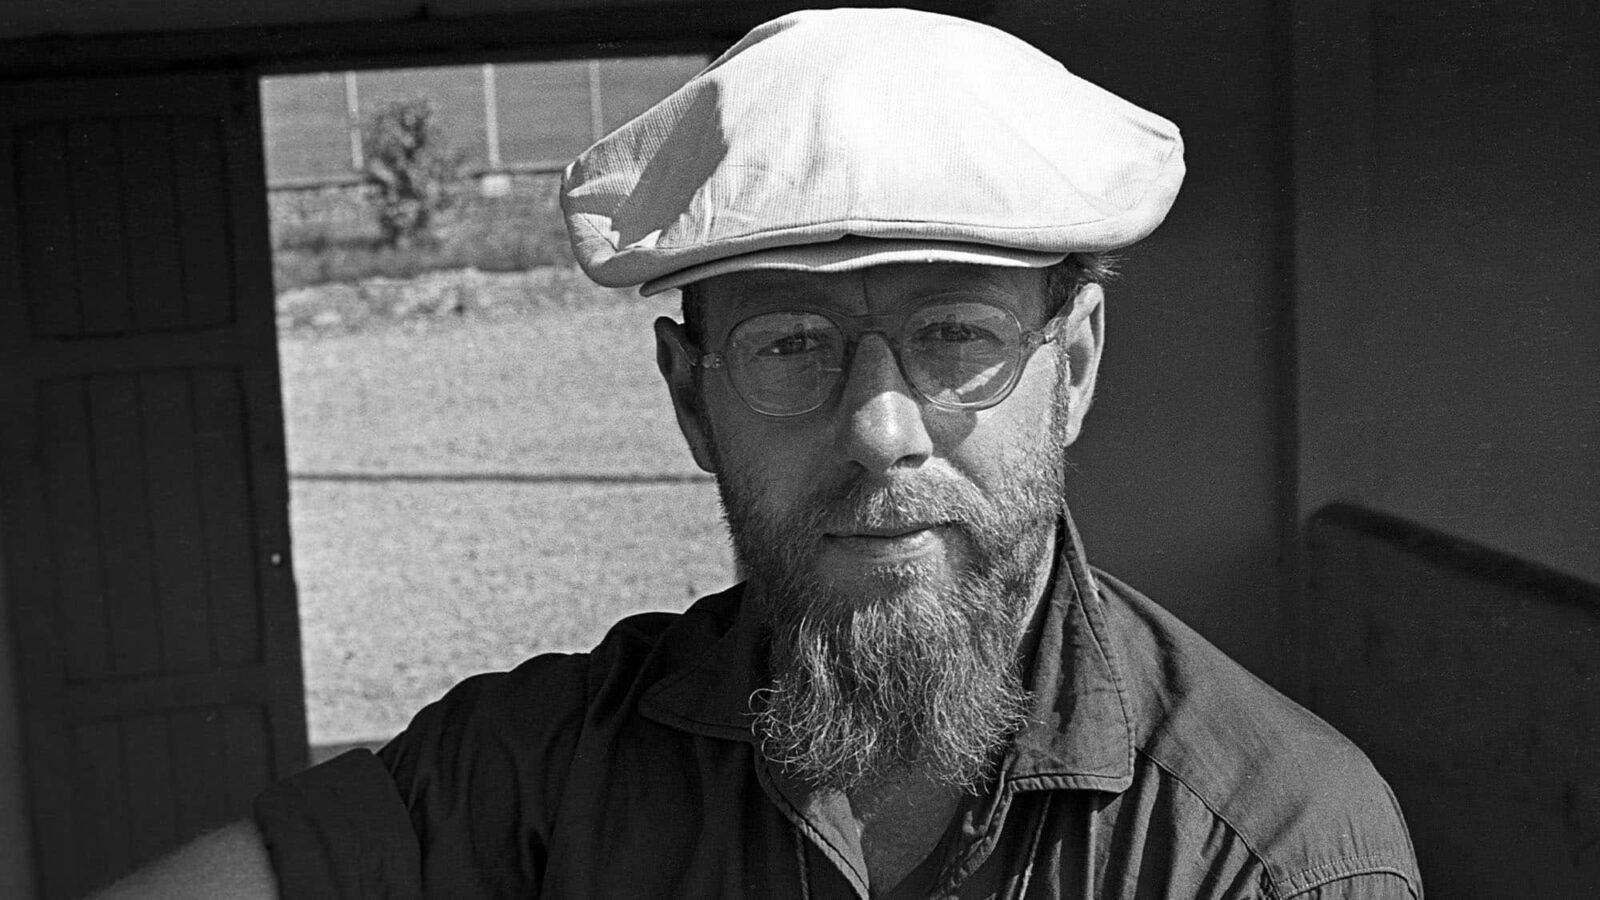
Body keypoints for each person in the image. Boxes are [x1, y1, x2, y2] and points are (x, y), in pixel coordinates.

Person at [99, 8, 1421, 898]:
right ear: (691, 399)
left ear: (1071, 369)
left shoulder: (1276, 847)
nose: (879, 428)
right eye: (791, 347)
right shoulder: (541, 770)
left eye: (955, 339)